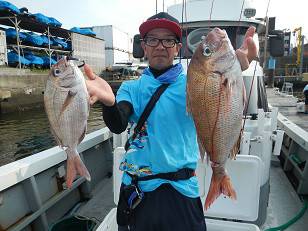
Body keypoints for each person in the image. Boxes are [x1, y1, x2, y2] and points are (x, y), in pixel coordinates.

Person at [84, 12, 257, 231]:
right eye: (152, 39)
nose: (160, 46)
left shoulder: (193, 83)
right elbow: (118, 123)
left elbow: (215, 90)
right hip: (138, 192)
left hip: (182, 190)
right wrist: (109, 102)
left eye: (168, 40)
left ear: (177, 48)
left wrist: (235, 67)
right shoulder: (131, 88)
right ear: (144, 47)